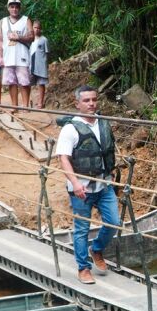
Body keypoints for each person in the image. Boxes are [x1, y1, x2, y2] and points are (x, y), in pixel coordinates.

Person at [56, 85, 120, 284]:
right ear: (77, 104)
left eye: (94, 99)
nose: (91, 104)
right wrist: (74, 183)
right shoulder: (70, 129)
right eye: (86, 101)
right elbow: (63, 158)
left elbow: (109, 149)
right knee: (82, 228)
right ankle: (83, 268)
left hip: (104, 184)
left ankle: (97, 249)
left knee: (113, 222)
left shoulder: (103, 123)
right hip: (81, 188)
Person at [0, 0, 33, 107]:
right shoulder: (3, 21)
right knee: (11, 82)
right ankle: (14, 106)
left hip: (22, 55)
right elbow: (0, 40)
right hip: (7, 56)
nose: (14, 9)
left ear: (19, 8)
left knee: (24, 82)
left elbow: (31, 36)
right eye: (12, 7)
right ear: (8, 8)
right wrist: (0, 57)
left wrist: (18, 37)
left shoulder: (26, 20)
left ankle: (25, 106)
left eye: (16, 7)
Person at [29, 20, 49, 108]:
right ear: (32, 28)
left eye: (38, 28)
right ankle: (29, 101)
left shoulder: (44, 40)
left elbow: (47, 53)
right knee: (28, 83)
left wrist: (45, 65)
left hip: (41, 65)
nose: (36, 30)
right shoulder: (30, 39)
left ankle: (40, 102)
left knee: (41, 84)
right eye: (35, 28)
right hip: (31, 65)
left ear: (41, 29)